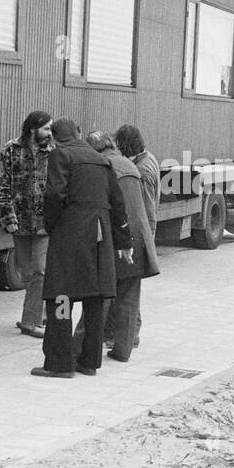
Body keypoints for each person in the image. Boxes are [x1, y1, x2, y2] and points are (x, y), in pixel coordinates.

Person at [35, 118, 131, 378]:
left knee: (62, 297)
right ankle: (89, 363)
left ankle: (60, 364)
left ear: (55, 138)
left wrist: (52, 225)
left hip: (71, 235)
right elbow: (118, 202)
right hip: (100, 238)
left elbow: (55, 195)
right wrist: (124, 241)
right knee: (94, 300)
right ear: (78, 133)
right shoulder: (102, 160)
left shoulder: (61, 155)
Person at [75, 131, 159, 363]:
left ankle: (80, 347)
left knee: (99, 296)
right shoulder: (130, 165)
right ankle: (123, 351)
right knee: (129, 298)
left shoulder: (102, 166)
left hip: (116, 240)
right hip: (138, 240)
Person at [0, 110, 54, 338]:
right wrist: (7, 217)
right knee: (27, 272)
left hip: (45, 223)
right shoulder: (10, 150)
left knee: (40, 270)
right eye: (46, 128)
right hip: (20, 222)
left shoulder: (53, 152)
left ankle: (31, 320)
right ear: (33, 128)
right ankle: (44, 313)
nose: (50, 133)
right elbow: (1, 185)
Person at [112, 124, 158, 349]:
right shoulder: (147, 159)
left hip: (139, 234)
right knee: (131, 286)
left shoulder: (142, 171)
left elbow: (145, 208)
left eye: (120, 145)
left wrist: (144, 237)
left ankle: (132, 334)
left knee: (131, 287)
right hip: (142, 232)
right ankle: (130, 334)